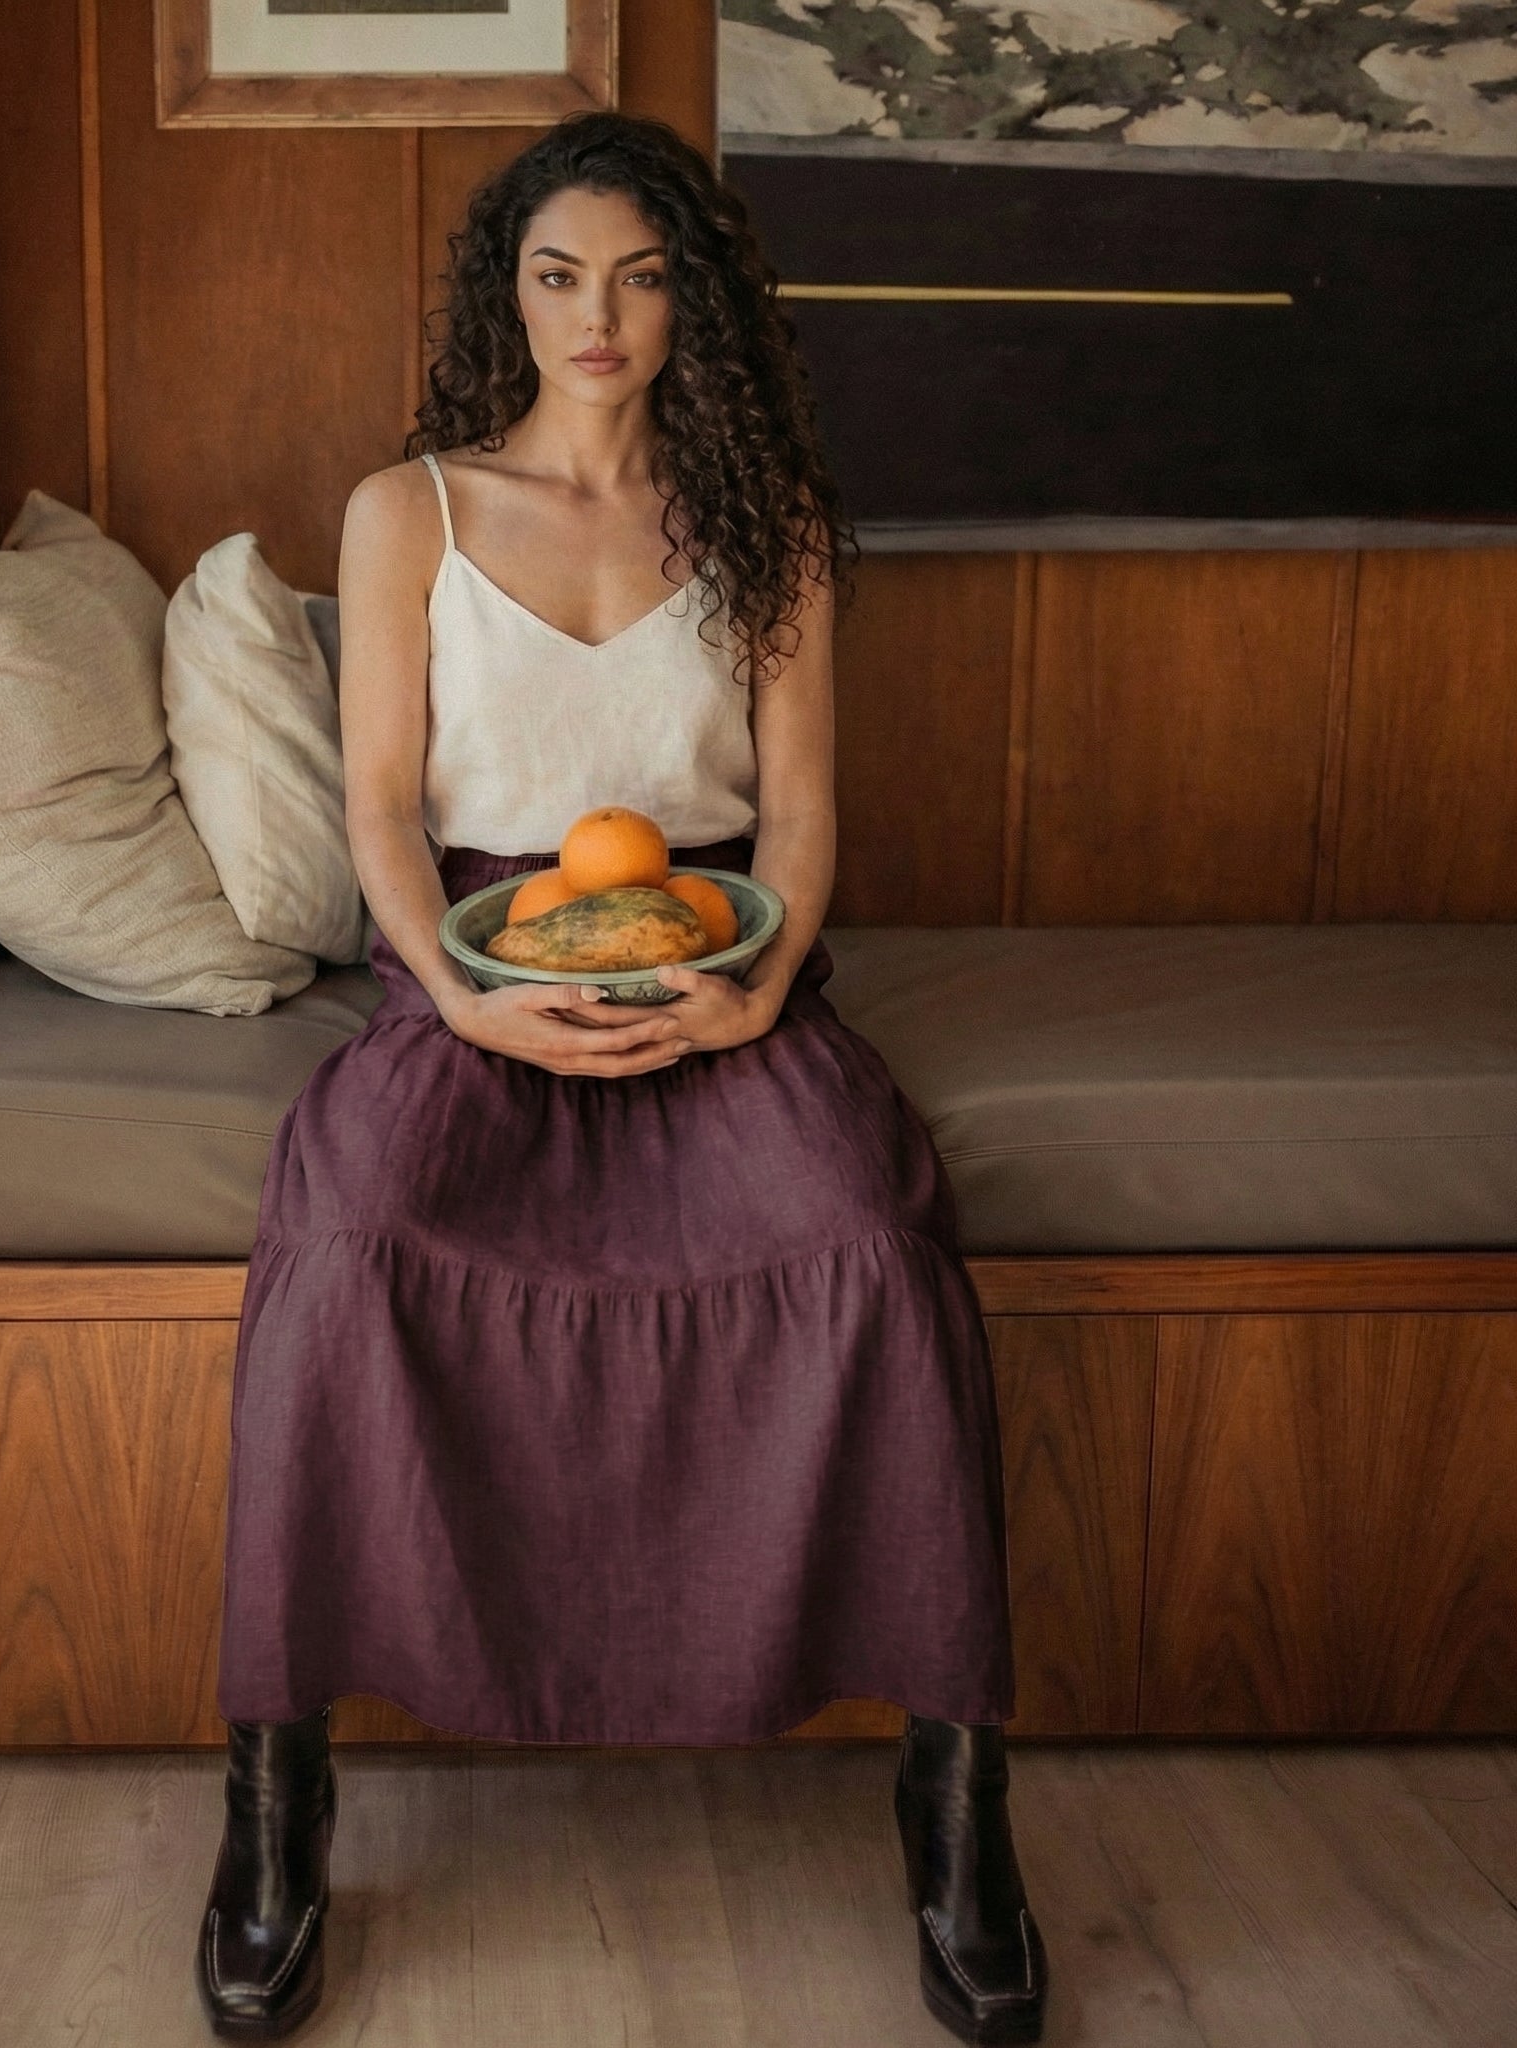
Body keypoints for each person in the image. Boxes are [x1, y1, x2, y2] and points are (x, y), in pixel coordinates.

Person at [194, 110, 1048, 2047]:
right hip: (475, 969)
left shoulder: (774, 523)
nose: (599, 314)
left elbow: (809, 815)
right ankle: (274, 1797)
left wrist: (750, 998)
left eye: (643, 275)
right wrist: (464, 1002)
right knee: (346, 1237)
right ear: (510, 290)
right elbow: (390, 814)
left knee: (868, 1241)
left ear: (698, 302)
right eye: (559, 273)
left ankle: (959, 1802)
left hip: (718, 953)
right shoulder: (403, 508)